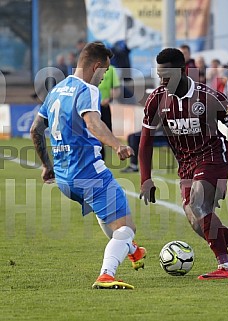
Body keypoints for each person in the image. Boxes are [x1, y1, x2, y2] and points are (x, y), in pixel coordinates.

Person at [138, 48, 228, 280]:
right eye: (159, 76)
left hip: (214, 156)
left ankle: (226, 266)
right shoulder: (156, 99)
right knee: (197, 222)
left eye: (167, 76)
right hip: (186, 164)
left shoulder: (209, 97)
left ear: (184, 71)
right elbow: (145, 142)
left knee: (198, 205)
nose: (162, 81)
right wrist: (145, 178)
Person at [30, 42, 146, 290]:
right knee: (126, 227)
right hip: (89, 173)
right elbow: (93, 122)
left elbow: (35, 130)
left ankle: (133, 251)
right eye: (104, 73)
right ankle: (106, 274)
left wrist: (45, 165)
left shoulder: (57, 90)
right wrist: (117, 145)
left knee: (110, 217)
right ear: (96, 66)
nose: (103, 78)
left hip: (64, 179)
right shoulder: (88, 89)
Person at [98, 63, 121, 160]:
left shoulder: (111, 69)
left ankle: (101, 160)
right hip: (90, 107)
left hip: (104, 106)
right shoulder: (91, 68)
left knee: (104, 134)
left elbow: (116, 88)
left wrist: (110, 99)